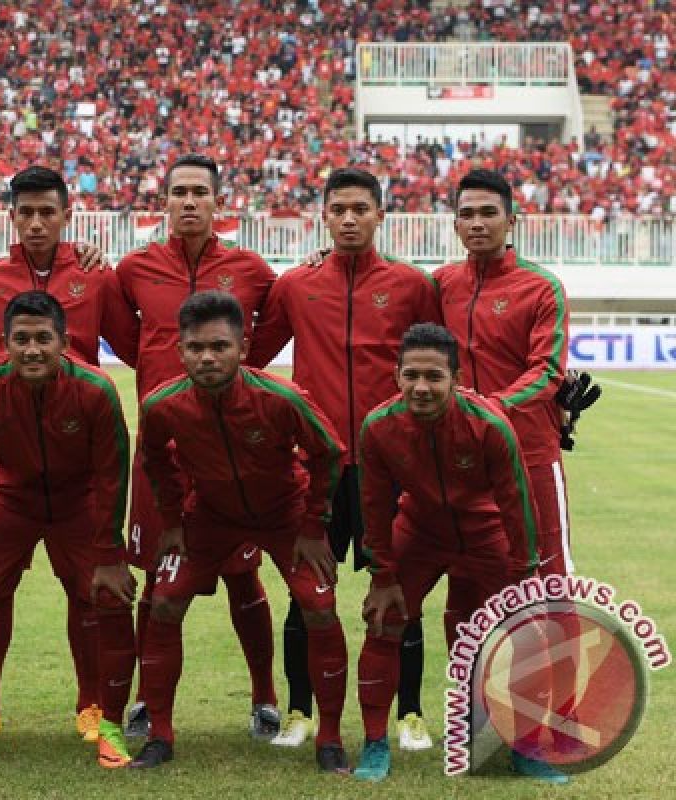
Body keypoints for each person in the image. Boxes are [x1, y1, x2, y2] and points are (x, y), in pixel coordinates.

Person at [250, 167, 442, 750]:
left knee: (400, 591)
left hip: (393, 466)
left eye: (362, 208)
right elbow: (251, 357)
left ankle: (409, 715)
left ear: (381, 215)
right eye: (340, 209)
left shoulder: (411, 286)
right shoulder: (295, 284)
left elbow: (439, 364)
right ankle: (300, 712)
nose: (350, 218)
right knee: (306, 591)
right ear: (325, 216)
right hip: (320, 467)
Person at [130, 291, 350, 773]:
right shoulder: (163, 404)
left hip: (284, 514)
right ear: (180, 350)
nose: (207, 357)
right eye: (196, 348)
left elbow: (329, 453)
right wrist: (171, 520)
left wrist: (314, 528)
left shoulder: (282, 397)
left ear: (242, 348)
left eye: (219, 347)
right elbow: (154, 459)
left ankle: (330, 739)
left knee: (318, 606)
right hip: (209, 516)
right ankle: (159, 736)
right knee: (164, 601)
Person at [0, 166, 139, 740]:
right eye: (26, 213)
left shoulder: (97, 278)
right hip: (6, 471)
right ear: (11, 216)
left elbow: (137, 348)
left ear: (66, 216)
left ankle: (92, 706)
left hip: (78, 468)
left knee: (93, 595)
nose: (37, 223)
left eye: (48, 213)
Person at [351, 322, 563, 784]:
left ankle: (526, 746)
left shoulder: (489, 424)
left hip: (485, 531)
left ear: (456, 377)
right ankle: (373, 744)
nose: (421, 388)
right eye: (412, 376)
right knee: (383, 623)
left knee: (521, 636)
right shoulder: (378, 427)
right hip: (420, 530)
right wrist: (383, 574)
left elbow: (516, 502)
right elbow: (374, 505)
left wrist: (524, 574)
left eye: (434, 377)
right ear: (396, 375)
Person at [114, 154, 279, 741]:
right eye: (177, 192)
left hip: (231, 457)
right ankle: (147, 700)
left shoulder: (252, 270)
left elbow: (271, 331)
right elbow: (122, 336)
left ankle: (264, 696)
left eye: (198, 194)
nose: (187, 202)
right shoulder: (134, 268)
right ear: (164, 202)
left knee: (243, 578)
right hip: (160, 449)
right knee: (158, 577)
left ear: (218, 204)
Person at [433, 168, 580, 763]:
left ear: (510, 220)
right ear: (456, 221)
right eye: (466, 213)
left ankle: (555, 728)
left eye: (488, 213)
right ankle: (472, 716)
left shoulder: (542, 287)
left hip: (531, 461)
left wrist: (488, 410)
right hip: (461, 466)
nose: (476, 223)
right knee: (463, 592)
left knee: (549, 592)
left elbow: (547, 372)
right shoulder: (438, 283)